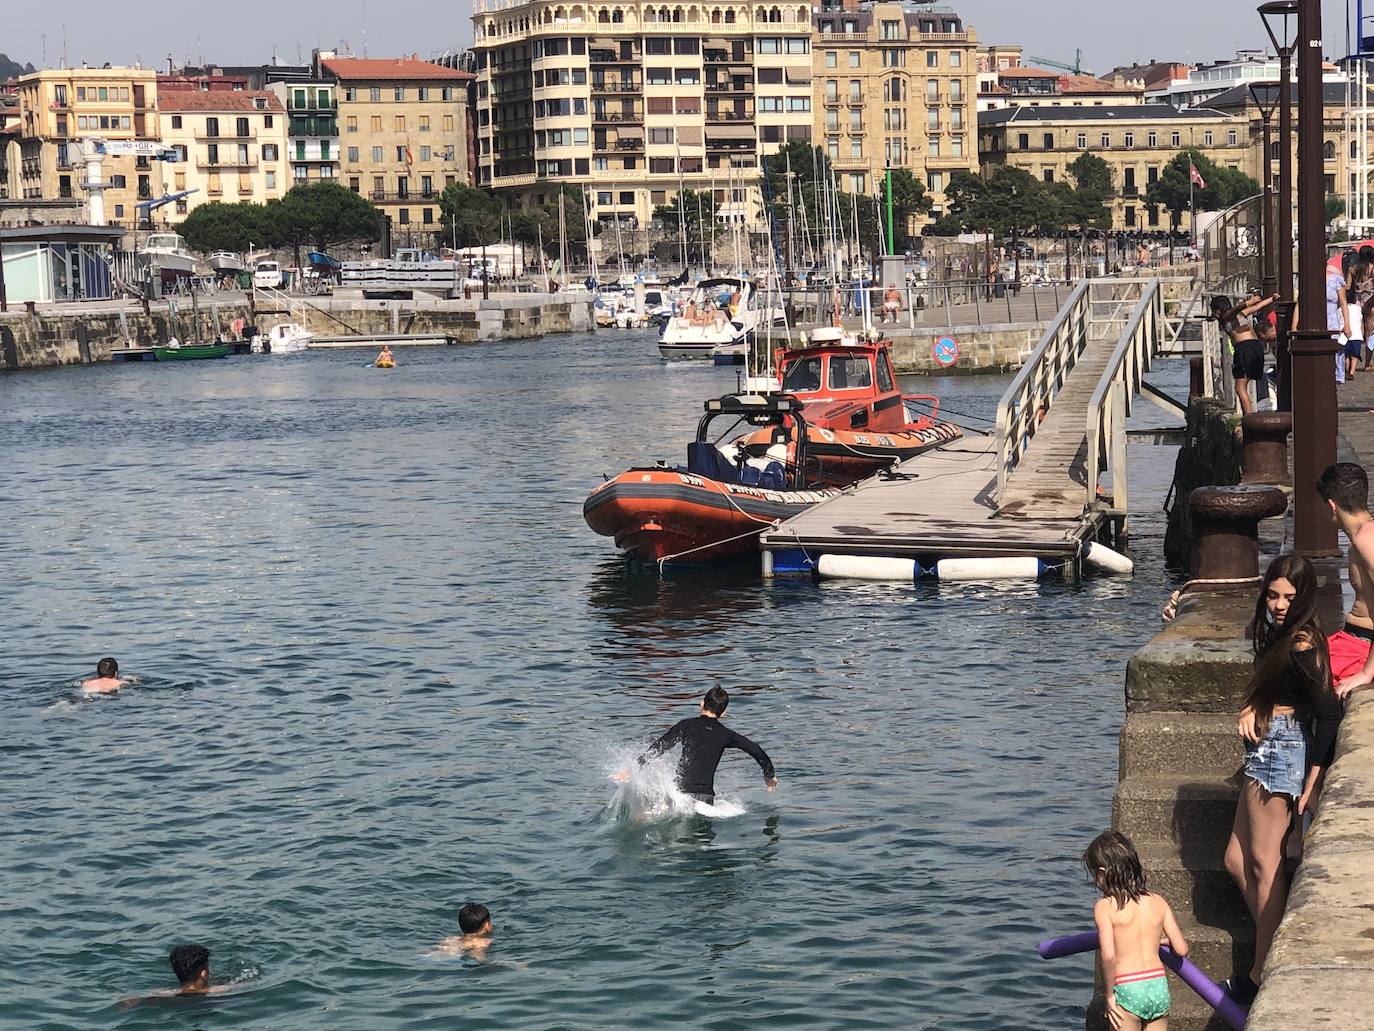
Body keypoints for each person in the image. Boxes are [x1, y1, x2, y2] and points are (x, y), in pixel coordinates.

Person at [1221, 554, 1340, 1007]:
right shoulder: (1281, 637)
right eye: (1272, 595)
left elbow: (1328, 711)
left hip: (1281, 752)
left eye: (1290, 596)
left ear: (1305, 596)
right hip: (1266, 748)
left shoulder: (1303, 642)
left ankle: (1259, 973)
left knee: (1263, 865)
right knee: (1236, 860)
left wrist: (1312, 778)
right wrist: (1256, 706)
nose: (1279, 604)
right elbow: (1280, 689)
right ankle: (1280, 946)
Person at [1084, 830, 1189, 1030]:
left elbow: (1108, 956)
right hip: (1158, 988)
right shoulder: (1158, 901)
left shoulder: (1105, 907)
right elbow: (1182, 949)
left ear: (1102, 872)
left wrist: (1109, 995)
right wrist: (1161, 942)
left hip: (1128, 988)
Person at [613, 686, 777, 805]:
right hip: (706, 798)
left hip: (681, 794)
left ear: (701, 703)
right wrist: (768, 774)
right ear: (723, 713)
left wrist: (634, 767)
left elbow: (661, 746)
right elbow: (755, 749)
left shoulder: (686, 726)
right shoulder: (726, 734)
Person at [1318, 464, 1374, 696]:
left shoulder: (1366, 541)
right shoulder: (1363, 537)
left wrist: (1367, 672)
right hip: (1354, 639)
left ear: (1332, 506)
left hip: (1361, 646)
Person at [1212, 293, 1277, 416]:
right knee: (1245, 384)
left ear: (1219, 310)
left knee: (1240, 387)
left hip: (1244, 348)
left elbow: (1235, 310)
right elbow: (1257, 308)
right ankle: (1249, 415)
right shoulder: (1241, 315)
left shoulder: (1228, 316)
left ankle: (1248, 417)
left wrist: (1248, 302)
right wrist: (1271, 299)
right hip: (1257, 347)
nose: (1214, 315)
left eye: (1214, 311)